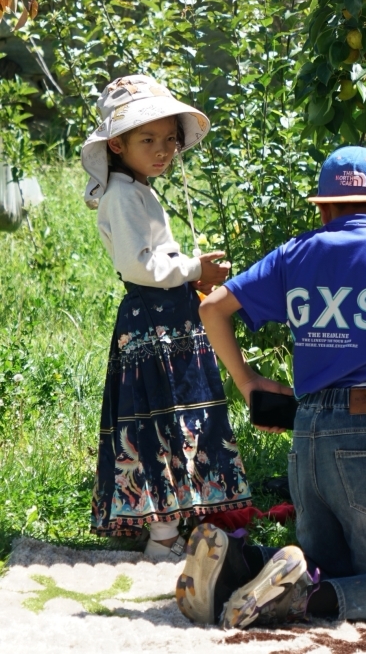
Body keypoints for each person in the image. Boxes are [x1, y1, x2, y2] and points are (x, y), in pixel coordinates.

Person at [175, 145, 366, 631]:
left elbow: (211, 308)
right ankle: (301, 599)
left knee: (329, 564)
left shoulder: (294, 253)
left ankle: (243, 561)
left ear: (323, 209)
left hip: (307, 435)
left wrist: (249, 382)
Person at [82, 73, 251, 561]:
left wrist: (191, 278)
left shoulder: (138, 189)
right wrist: (195, 268)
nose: (163, 151)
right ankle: (162, 537)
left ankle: (174, 522)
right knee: (158, 421)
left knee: (177, 417)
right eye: (148, 140)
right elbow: (139, 265)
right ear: (117, 143)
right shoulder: (121, 195)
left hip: (168, 321)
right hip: (151, 325)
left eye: (170, 140)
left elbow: (158, 259)